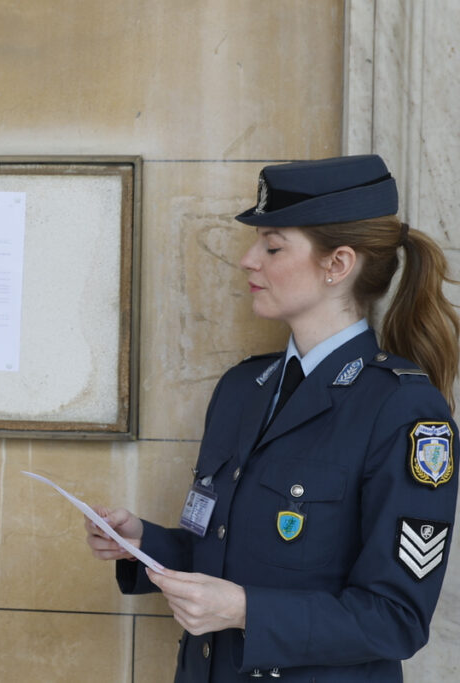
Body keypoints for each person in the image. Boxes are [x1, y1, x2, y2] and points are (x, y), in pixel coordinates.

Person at [85, 155, 459, 681]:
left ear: (338, 264)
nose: (247, 260)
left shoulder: (402, 410)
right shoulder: (243, 389)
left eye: (273, 245)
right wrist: (144, 543)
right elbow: (227, 550)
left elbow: (395, 619)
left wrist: (244, 611)